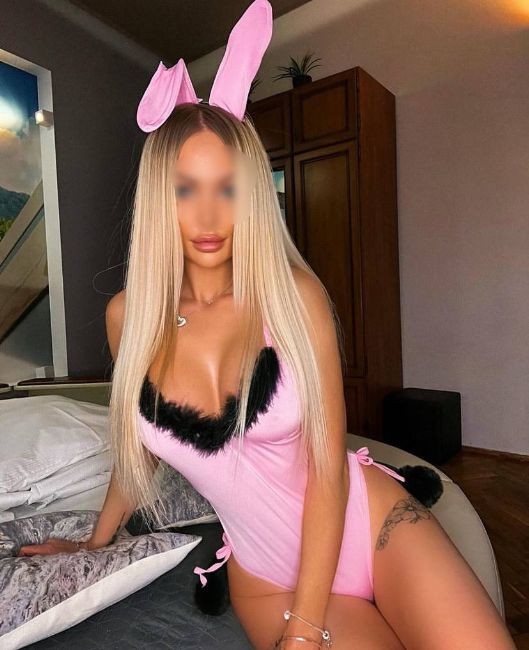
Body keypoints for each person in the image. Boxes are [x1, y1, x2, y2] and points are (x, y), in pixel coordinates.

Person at [18, 2, 515, 648]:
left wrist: (307, 628)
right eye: (185, 189)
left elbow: (329, 469)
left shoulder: (293, 296)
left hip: (370, 526)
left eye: (226, 188)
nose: (208, 216)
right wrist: (94, 541)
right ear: (159, 196)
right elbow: (137, 449)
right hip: (266, 574)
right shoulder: (127, 318)